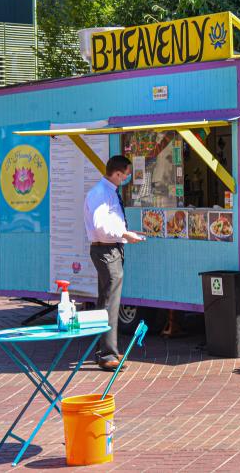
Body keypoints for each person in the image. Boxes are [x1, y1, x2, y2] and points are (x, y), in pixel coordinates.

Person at [83, 155, 145, 371]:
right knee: (111, 302)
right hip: (106, 249)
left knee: (105, 300)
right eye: (127, 174)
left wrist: (125, 234)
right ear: (118, 173)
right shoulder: (101, 194)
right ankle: (108, 354)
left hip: (110, 248)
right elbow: (101, 226)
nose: (127, 178)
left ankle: (102, 350)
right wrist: (125, 234)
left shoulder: (107, 192)